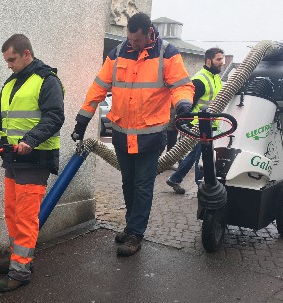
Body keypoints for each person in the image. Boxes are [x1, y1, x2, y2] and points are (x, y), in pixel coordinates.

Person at [72, 12, 194, 256]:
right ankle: (131, 227)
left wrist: (183, 106)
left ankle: (136, 234)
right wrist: (82, 119)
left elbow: (181, 86)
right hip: (121, 134)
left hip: (150, 136)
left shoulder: (167, 53)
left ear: (149, 33)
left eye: (137, 41)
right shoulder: (118, 53)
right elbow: (98, 87)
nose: (133, 44)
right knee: (128, 183)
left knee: (142, 185)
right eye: (130, 39)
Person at [0, 34, 64, 292]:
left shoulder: (46, 80)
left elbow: (54, 117)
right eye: (6, 60)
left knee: (26, 217)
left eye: (12, 59)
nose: (8, 64)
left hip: (35, 159)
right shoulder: (11, 84)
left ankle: (20, 272)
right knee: (12, 213)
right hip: (13, 159)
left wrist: (31, 139)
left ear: (27, 54)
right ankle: (19, 259)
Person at [166, 47, 225, 194]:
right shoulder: (200, 79)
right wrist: (185, 123)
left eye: (222, 59)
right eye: (218, 59)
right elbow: (188, 104)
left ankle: (175, 179)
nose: (222, 62)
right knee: (202, 156)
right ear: (209, 60)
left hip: (210, 125)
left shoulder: (216, 78)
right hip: (199, 125)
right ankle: (201, 187)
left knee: (194, 155)